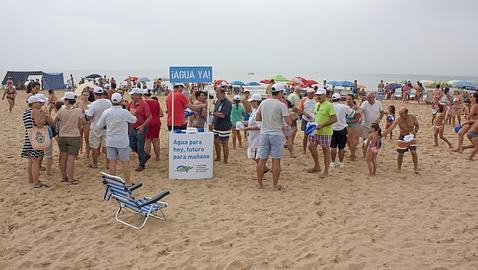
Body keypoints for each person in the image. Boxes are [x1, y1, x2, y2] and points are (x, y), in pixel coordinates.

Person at [255, 84, 291, 190]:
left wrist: (264, 123)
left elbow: (258, 117)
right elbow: (288, 122)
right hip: (276, 134)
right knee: (276, 160)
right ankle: (275, 185)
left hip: (264, 133)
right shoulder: (281, 105)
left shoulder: (264, 103)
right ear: (279, 93)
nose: (283, 94)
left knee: (262, 160)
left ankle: (260, 184)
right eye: (283, 93)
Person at [97, 93, 137, 185]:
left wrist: (106, 127)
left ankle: (113, 182)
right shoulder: (124, 112)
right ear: (120, 101)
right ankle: (127, 182)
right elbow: (134, 120)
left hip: (111, 140)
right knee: (125, 162)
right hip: (122, 141)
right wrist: (132, 113)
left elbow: (99, 125)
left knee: (112, 161)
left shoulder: (106, 112)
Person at [22, 94, 52, 188]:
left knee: (31, 160)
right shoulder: (35, 111)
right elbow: (39, 124)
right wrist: (44, 116)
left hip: (29, 136)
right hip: (36, 138)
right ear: (34, 103)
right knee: (36, 160)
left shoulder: (26, 112)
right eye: (40, 103)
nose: (42, 104)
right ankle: (36, 182)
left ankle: (31, 179)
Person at [307, 88, 337, 177]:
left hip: (325, 132)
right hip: (315, 131)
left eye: (320, 95)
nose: (318, 96)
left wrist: (323, 125)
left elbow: (334, 119)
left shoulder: (329, 105)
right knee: (311, 147)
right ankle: (317, 166)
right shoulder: (316, 105)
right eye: (317, 95)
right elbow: (316, 117)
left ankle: (326, 171)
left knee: (326, 152)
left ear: (325, 95)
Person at [55, 92, 84, 184]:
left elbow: (55, 121)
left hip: (63, 135)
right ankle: (70, 178)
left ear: (67, 101)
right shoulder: (78, 111)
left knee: (63, 157)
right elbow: (80, 124)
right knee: (71, 159)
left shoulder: (61, 111)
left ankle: (64, 177)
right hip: (74, 135)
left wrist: (58, 130)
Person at [382, 108, 420, 174]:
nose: (400, 115)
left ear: (406, 113)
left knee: (413, 152)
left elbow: (417, 126)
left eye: (402, 113)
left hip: (411, 136)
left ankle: (416, 168)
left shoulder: (412, 117)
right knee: (400, 154)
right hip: (402, 137)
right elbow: (390, 128)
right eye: (399, 113)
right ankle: (399, 168)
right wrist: (381, 135)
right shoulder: (398, 120)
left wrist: (415, 131)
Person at [86, 87, 112, 168]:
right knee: (106, 145)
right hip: (106, 126)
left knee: (94, 146)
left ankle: (95, 163)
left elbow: (89, 117)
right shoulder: (108, 102)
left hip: (95, 127)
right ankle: (108, 164)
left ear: (94, 94)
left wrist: (86, 114)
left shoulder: (93, 104)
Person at [128, 88, 152, 171]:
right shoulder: (131, 103)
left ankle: (142, 164)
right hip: (132, 127)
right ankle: (145, 155)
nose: (131, 96)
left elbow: (149, 117)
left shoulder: (144, 104)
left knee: (140, 146)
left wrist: (142, 126)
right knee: (131, 144)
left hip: (140, 128)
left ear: (138, 95)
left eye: (133, 94)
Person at [330, 93, 353, 168]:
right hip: (342, 128)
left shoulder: (329, 106)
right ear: (339, 99)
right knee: (341, 147)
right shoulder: (343, 106)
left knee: (333, 147)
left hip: (332, 128)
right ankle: (341, 162)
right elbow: (352, 113)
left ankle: (333, 162)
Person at [212, 84, 233, 163]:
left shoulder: (227, 103)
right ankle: (218, 157)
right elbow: (216, 112)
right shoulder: (217, 101)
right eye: (216, 93)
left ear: (223, 93)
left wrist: (212, 113)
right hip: (217, 125)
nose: (216, 94)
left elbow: (222, 115)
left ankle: (225, 160)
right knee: (216, 142)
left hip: (224, 126)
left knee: (224, 143)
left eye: (218, 93)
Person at [143, 89, 163, 161]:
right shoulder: (156, 102)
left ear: (144, 95)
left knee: (147, 141)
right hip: (156, 122)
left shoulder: (143, 102)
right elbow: (160, 113)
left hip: (147, 122)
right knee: (156, 140)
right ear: (150, 95)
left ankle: (147, 156)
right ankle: (157, 157)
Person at [244, 94, 263, 167]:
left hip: (257, 135)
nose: (251, 103)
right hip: (252, 135)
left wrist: (248, 128)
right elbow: (251, 122)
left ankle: (262, 168)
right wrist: (244, 123)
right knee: (252, 154)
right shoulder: (254, 110)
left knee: (255, 154)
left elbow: (260, 126)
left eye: (252, 102)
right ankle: (263, 168)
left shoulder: (259, 111)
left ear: (256, 102)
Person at [298, 89, 317, 154]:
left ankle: (313, 149)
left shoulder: (316, 100)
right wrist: (306, 114)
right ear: (308, 93)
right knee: (305, 136)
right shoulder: (303, 100)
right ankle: (304, 150)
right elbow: (300, 110)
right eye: (311, 93)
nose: (312, 94)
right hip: (305, 119)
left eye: (313, 93)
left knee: (314, 136)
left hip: (313, 120)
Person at [76, 88, 91, 161]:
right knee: (78, 139)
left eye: (87, 95)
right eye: (84, 95)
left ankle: (87, 155)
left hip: (87, 123)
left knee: (87, 140)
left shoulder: (91, 104)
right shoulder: (78, 103)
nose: (85, 96)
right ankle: (78, 153)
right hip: (79, 123)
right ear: (82, 95)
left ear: (89, 96)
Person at [345, 94, 362, 161]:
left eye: (350, 99)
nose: (348, 100)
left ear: (352, 100)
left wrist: (350, 121)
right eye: (347, 99)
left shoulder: (355, 107)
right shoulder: (345, 107)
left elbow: (358, 117)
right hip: (346, 125)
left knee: (352, 140)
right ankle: (353, 153)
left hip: (353, 125)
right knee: (347, 141)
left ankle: (353, 155)